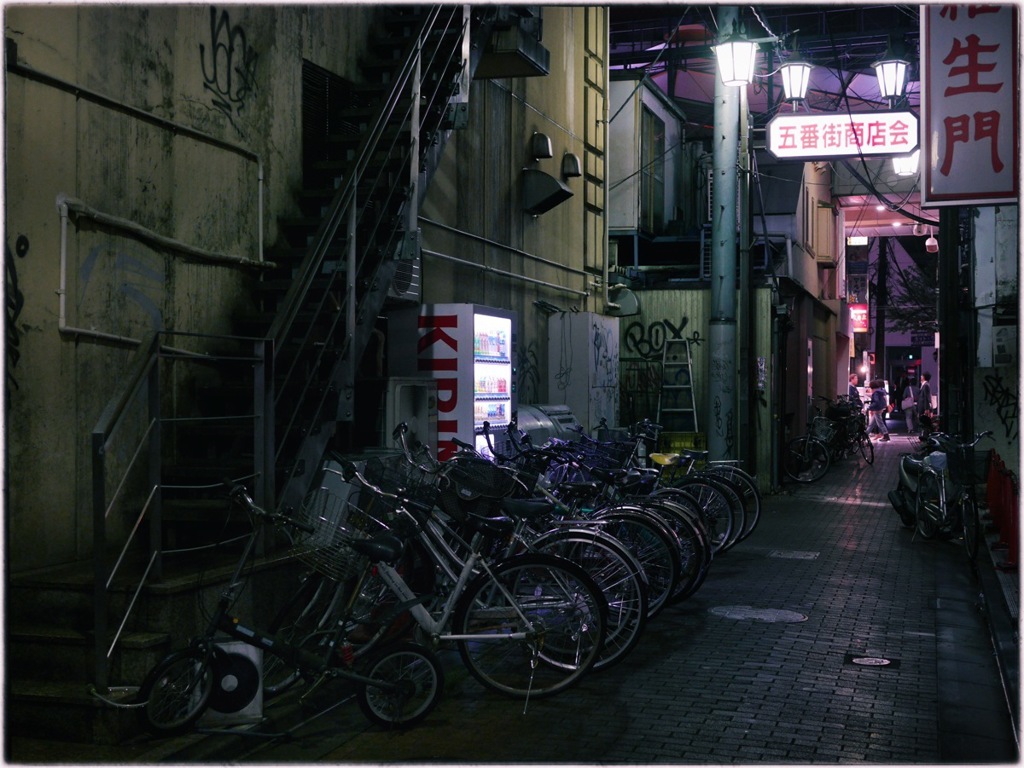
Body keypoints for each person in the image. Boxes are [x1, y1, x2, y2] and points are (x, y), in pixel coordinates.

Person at [918, 372, 934, 438]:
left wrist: (927, 408)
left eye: (922, 376)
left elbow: (927, 397)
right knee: (923, 421)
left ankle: (925, 436)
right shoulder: (923, 385)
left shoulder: (926, 385)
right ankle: (924, 435)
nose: (921, 377)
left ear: (924, 377)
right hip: (922, 406)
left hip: (924, 406)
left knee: (924, 421)